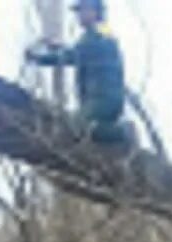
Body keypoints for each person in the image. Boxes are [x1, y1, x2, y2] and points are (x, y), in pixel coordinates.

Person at [26, 0, 128, 145]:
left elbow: (74, 55)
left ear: (94, 11)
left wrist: (40, 58)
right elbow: (81, 52)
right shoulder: (100, 33)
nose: (79, 16)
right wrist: (57, 48)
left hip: (103, 99)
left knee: (75, 125)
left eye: (83, 11)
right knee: (89, 133)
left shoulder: (99, 33)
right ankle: (115, 138)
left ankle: (123, 133)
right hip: (101, 99)